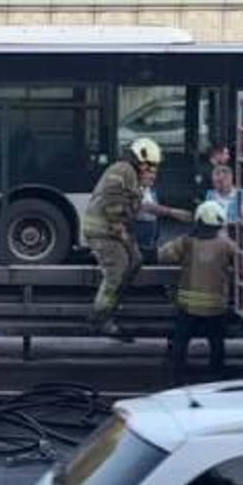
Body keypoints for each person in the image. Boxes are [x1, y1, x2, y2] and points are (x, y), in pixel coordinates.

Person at [82, 137, 162, 339]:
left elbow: (132, 207)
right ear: (139, 159)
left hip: (113, 229)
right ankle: (99, 316)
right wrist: (124, 235)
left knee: (136, 261)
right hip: (103, 231)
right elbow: (113, 204)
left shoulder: (133, 175)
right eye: (148, 165)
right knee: (116, 270)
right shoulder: (123, 170)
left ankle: (113, 306)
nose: (151, 170)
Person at [159, 200, 236, 385]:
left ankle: (177, 376)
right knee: (216, 342)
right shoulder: (226, 245)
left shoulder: (187, 242)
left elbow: (163, 255)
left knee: (181, 341)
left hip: (189, 306)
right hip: (216, 306)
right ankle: (216, 375)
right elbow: (241, 263)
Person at [134, 170, 192, 264]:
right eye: (149, 173)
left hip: (151, 231)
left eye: (154, 173)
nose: (153, 177)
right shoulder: (134, 190)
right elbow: (146, 206)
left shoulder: (150, 190)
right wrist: (173, 212)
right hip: (139, 230)